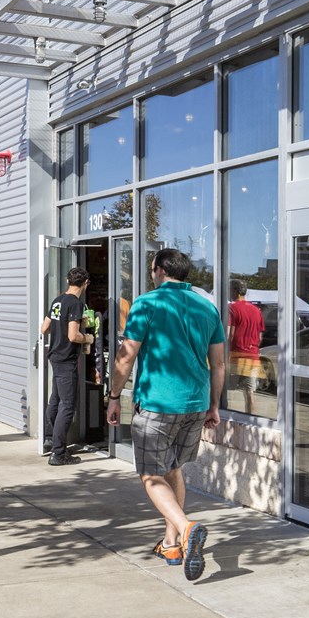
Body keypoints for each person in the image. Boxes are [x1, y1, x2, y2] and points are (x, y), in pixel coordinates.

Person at [106, 248, 225, 581]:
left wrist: (114, 396)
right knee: (173, 469)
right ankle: (171, 543)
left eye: (150, 268)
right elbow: (218, 364)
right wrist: (214, 405)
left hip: (158, 404)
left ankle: (186, 529)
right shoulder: (207, 307)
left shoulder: (148, 303)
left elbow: (126, 357)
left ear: (158, 270)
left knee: (151, 476)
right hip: (195, 404)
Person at [40, 266, 94, 466]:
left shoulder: (57, 301)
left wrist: (59, 329)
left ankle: (48, 438)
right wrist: (87, 337)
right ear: (85, 283)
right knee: (67, 405)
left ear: (67, 280)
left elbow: (44, 328)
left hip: (54, 356)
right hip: (66, 359)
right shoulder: (75, 304)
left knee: (55, 399)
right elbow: (73, 335)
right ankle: (58, 453)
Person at [227, 279, 265, 415]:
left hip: (236, 356)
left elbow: (229, 334)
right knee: (249, 393)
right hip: (253, 357)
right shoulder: (256, 310)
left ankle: (221, 417)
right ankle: (250, 419)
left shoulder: (232, 308)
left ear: (235, 291)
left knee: (222, 389)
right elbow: (259, 337)